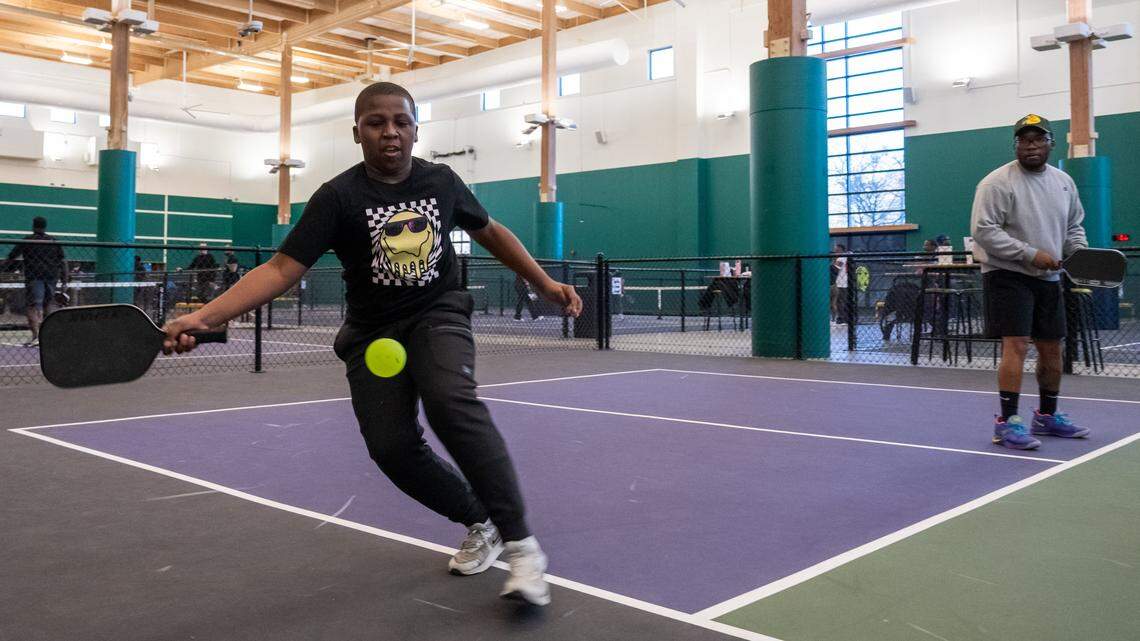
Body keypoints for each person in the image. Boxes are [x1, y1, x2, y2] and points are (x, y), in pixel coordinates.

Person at [162, 82, 582, 606]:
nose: (390, 132)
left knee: (450, 400)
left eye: (401, 122)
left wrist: (543, 282)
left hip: (437, 313)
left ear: (415, 130)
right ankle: (481, 520)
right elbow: (280, 269)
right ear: (357, 132)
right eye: (376, 123)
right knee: (392, 449)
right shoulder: (338, 198)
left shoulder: (441, 182)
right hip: (372, 333)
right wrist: (203, 317)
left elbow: (489, 231)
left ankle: (523, 550)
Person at [971, 114, 1089, 450]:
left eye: (1038, 139)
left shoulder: (1064, 182)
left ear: (1051, 143)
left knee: (1052, 347)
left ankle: (1047, 416)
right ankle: (1007, 423)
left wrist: (1078, 252)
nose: (1031, 146)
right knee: (1017, 344)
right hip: (1007, 274)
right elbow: (984, 231)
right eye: (1024, 140)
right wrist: (1030, 254)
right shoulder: (996, 183)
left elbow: (1073, 226)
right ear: (1016, 145)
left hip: (1049, 277)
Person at [4, 216, 67, 347]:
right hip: (51, 276)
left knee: (32, 306)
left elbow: (11, 256)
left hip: (34, 277)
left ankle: (37, 336)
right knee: (48, 304)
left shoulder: (28, 240)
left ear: (33, 226)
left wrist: (4, 267)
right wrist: (64, 280)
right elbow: (63, 261)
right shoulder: (53, 241)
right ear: (45, 226)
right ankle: (47, 336)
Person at [831, 243, 848, 324]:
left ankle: (841, 317)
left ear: (841, 250)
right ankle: (844, 317)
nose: (835, 251)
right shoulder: (846, 257)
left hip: (841, 283)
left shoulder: (841, 258)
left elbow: (835, 269)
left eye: (837, 250)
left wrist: (834, 260)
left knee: (839, 301)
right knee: (842, 300)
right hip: (844, 282)